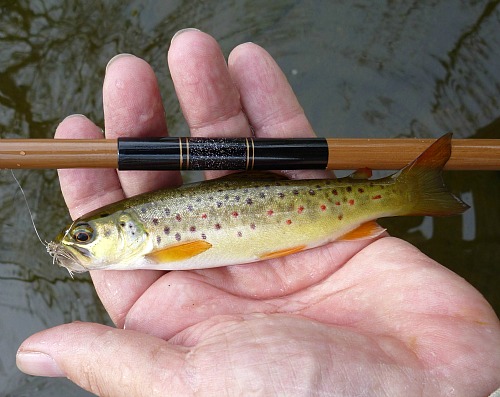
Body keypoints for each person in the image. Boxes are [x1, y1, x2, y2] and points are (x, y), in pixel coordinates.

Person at [16, 29, 500, 396]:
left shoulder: (162, 249)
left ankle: (406, 191)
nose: (75, 245)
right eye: (81, 238)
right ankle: (403, 191)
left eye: (84, 236)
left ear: (126, 228)